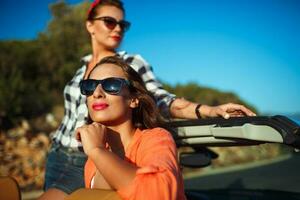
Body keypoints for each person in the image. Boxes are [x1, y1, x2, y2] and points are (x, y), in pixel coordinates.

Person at [39, 0, 256, 199]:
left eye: (122, 24)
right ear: (90, 26)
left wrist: (207, 111)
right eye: (109, 21)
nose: (117, 28)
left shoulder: (131, 63)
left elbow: (161, 99)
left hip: (87, 154)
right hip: (61, 153)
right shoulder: (80, 70)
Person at [76, 56, 186, 199]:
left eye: (111, 85)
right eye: (89, 86)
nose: (97, 93)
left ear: (133, 100)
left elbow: (158, 193)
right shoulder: (92, 161)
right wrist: (97, 152)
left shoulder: (156, 138)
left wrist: (97, 151)